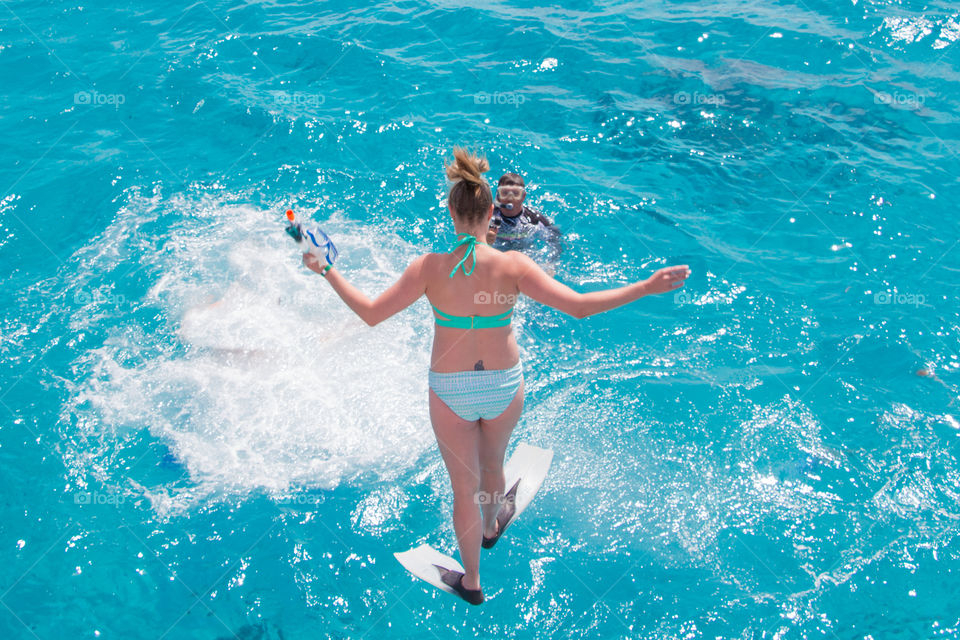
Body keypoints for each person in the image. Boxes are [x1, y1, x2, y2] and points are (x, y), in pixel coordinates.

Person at [302, 147, 690, 605]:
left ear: (451, 213)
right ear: (491, 214)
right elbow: (581, 307)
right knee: (493, 466)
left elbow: (370, 314)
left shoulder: (427, 267)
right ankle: (492, 525)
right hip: (504, 385)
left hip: (449, 391)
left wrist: (326, 269)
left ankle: (472, 580)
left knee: (461, 488)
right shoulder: (513, 265)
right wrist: (646, 286)